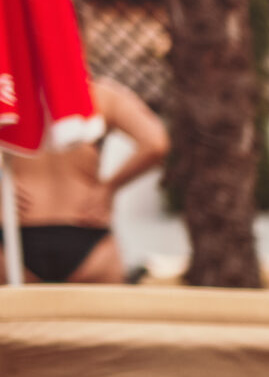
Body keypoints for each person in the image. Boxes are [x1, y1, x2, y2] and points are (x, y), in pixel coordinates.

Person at [8, 80, 167, 284]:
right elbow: (156, 143)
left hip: (17, 231)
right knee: (98, 316)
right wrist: (109, 188)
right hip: (86, 228)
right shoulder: (103, 95)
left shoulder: (8, 96)